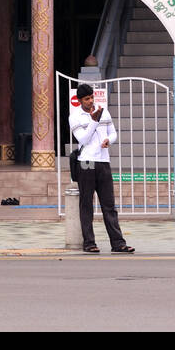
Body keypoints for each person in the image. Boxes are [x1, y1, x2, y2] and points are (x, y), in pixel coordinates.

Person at [69, 82, 134, 254]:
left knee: (109, 205)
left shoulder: (103, 112)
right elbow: (82, 139)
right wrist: (93, 122)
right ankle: (89, 243)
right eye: (87, 99)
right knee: (86, 205)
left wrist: (109, 141)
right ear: (80, 100)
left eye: (92, 97)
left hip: (103, 161)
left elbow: (113, 133)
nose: (91, 101)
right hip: (86, 162)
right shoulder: (75, 117)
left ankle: (118, 243)